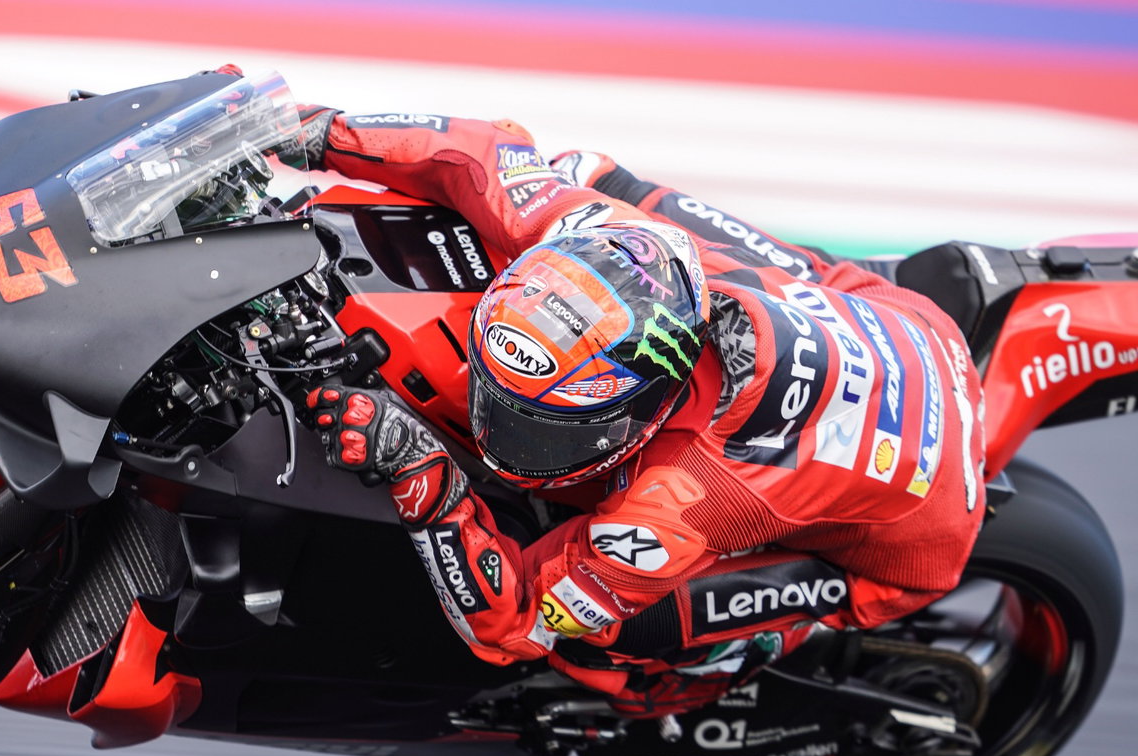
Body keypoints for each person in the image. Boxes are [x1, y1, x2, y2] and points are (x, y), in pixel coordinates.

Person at [296, 105, 988, 716]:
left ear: (649, 410)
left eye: (541, 428)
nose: (500, 437)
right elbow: (485, 157)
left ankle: (686, 690)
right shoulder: (592, 233)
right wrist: (315, 128)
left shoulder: (685, 499)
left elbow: (513, 628)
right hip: (897, 317)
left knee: (600, 637)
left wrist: (425, 475)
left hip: (916, 537)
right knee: (588, 171)